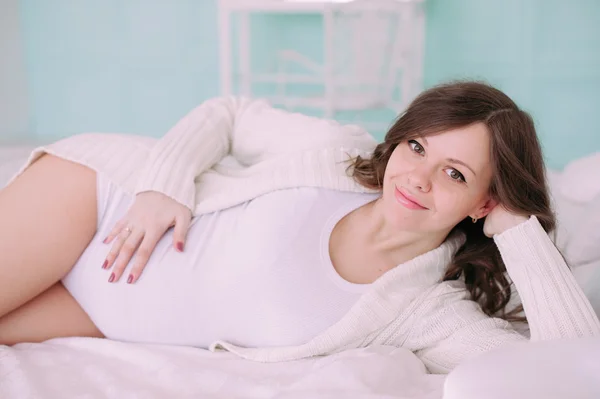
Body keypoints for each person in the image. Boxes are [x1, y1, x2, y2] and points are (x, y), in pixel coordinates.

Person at [0, 81, 598, 374]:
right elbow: (229, 114)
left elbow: (568, 369)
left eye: (454, 173)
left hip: (106, 312)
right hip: (100, 201)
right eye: (416, 146)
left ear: (483, 202)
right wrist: (164, 185)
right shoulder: (335, 154)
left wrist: (519, 229)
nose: (417, 177)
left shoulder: (421, 310)